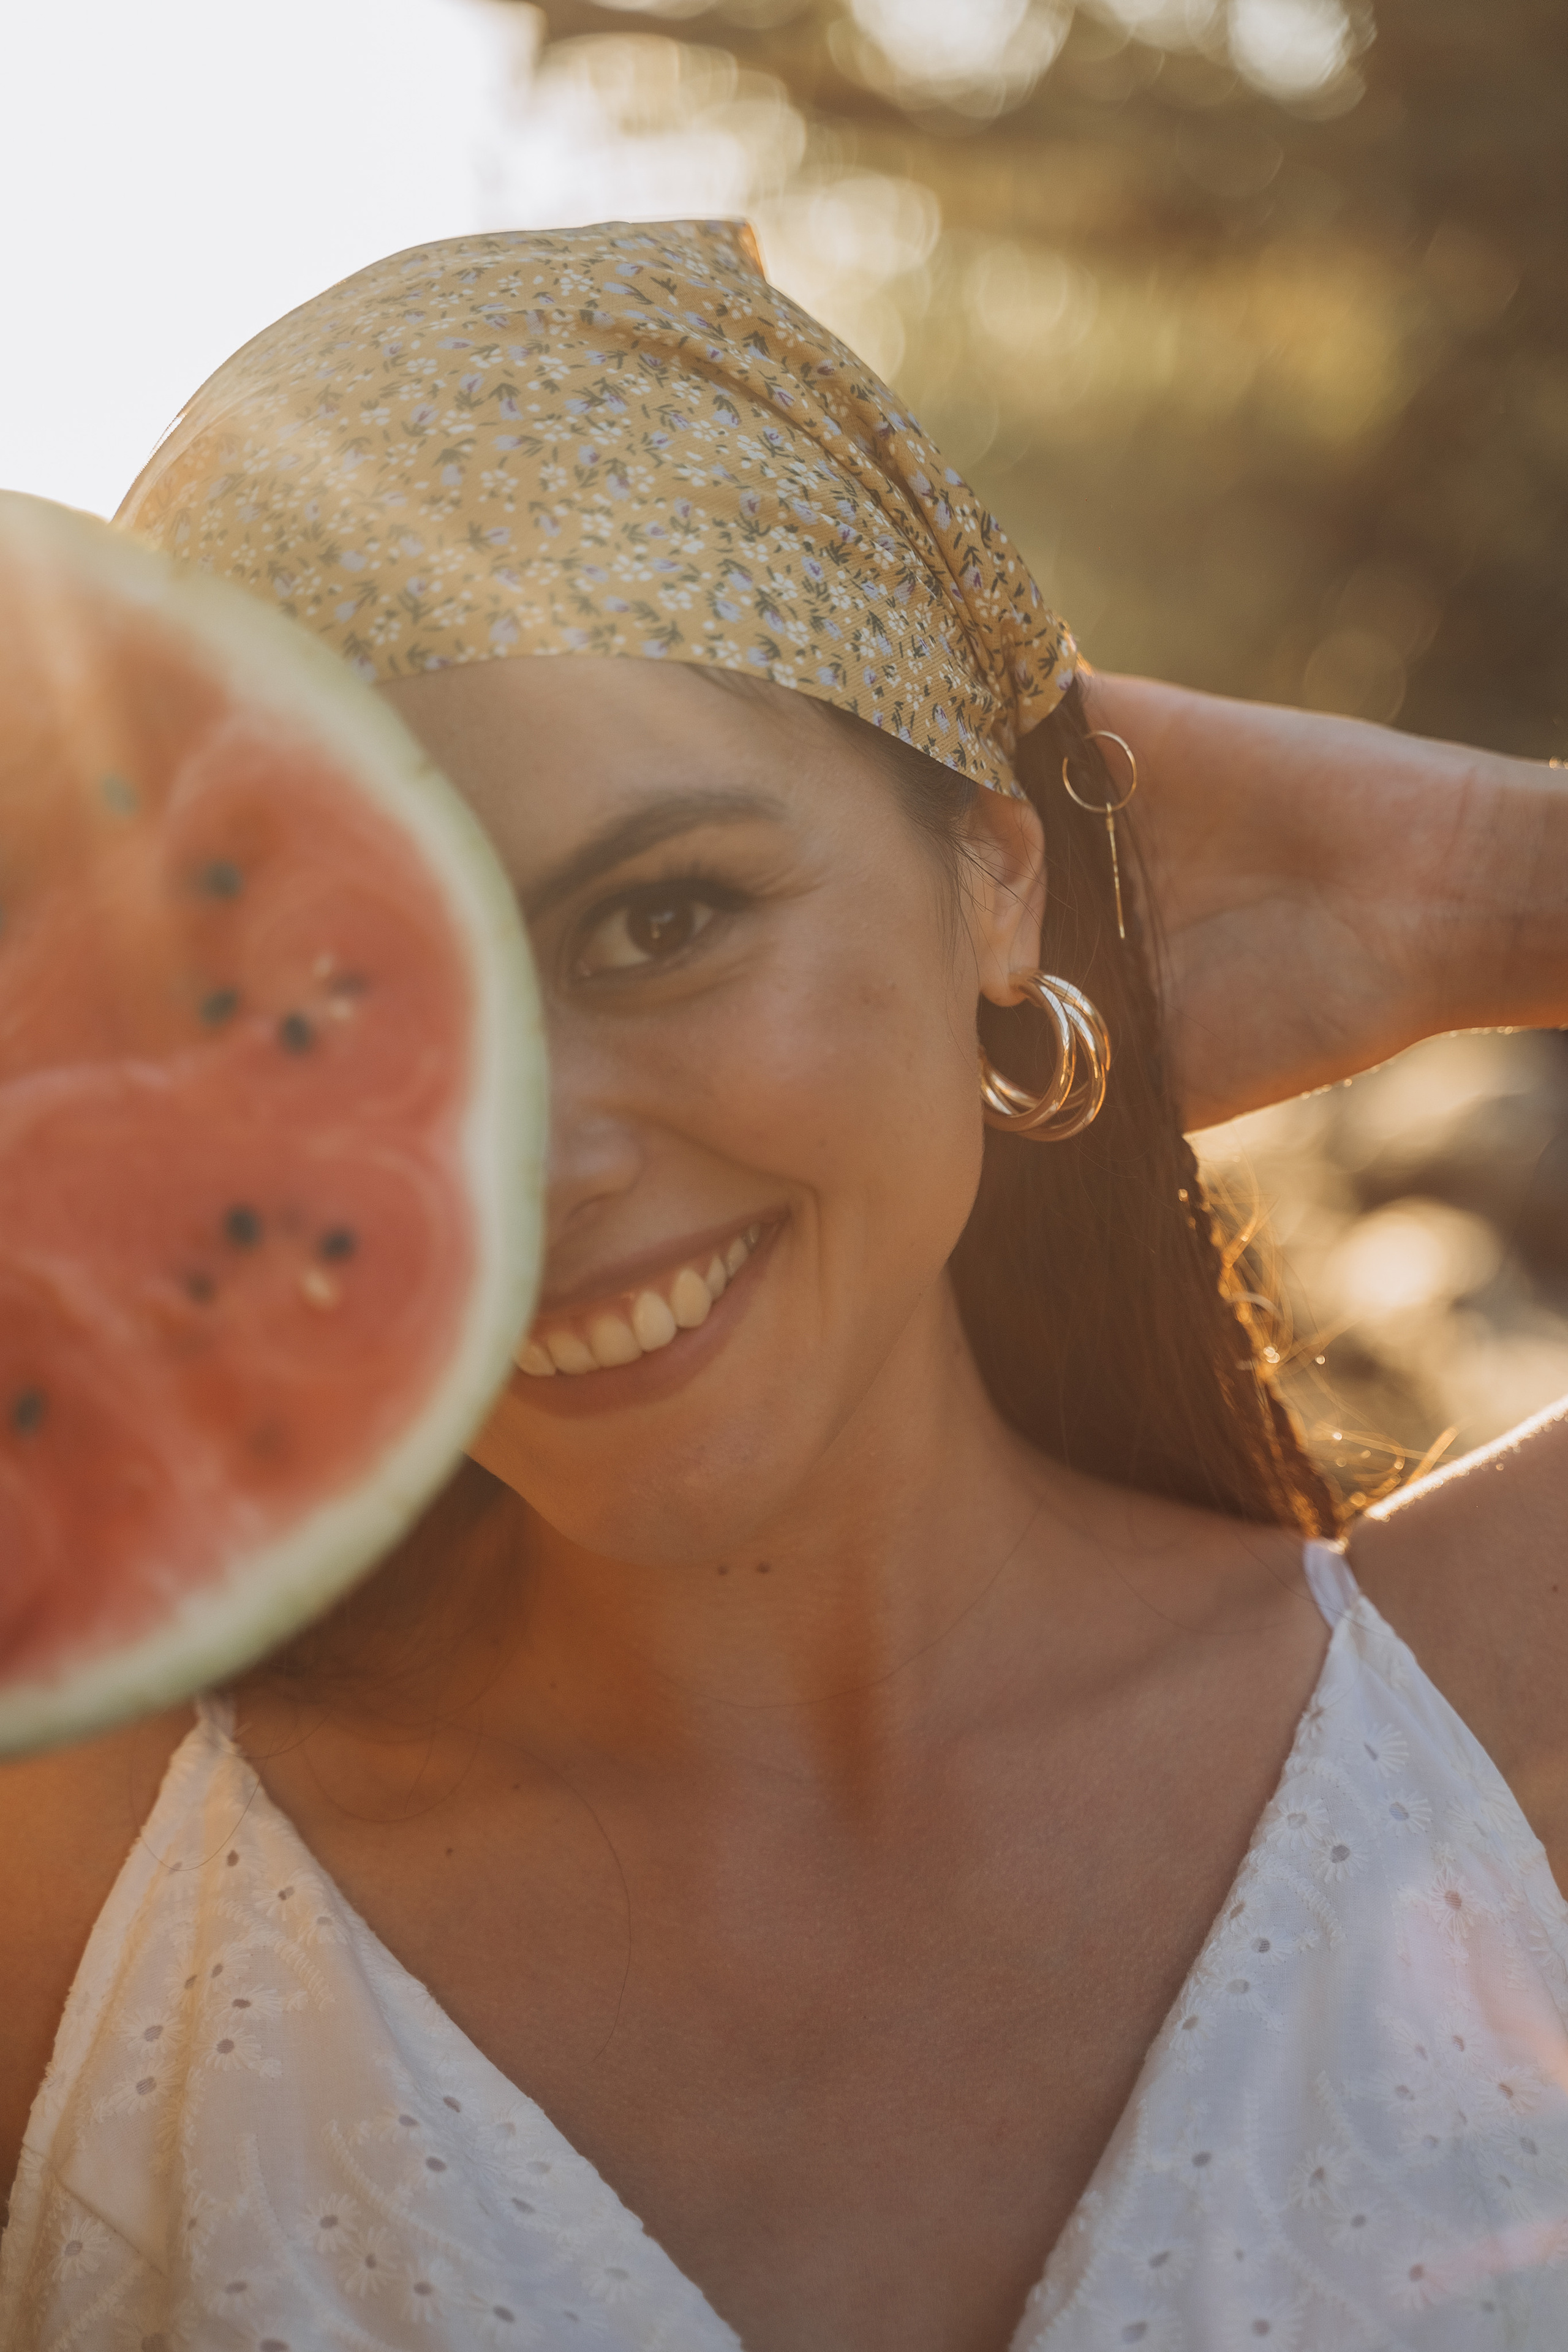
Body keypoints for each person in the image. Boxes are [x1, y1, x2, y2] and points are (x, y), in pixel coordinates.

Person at [0, 219, 1564, 2352]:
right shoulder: (84, 1891)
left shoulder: (1495, 1712)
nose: (528, 1156)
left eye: (660, 923)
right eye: (336, 1008)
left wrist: (1474, 882)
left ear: (993, 878)